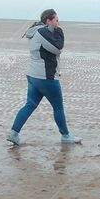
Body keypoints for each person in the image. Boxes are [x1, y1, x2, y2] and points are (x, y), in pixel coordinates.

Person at [7, 8, 81, 145]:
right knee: (58, 107)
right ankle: (66, 136)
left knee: (29, 105)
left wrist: (55, 31)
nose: (58, 24)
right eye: (56, 21)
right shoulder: (42, 32)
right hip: (46, 77)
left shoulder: (34, 31)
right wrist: (59, 32)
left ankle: (13, 133)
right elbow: (57, 48)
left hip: (33, 76)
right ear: (48, 20)